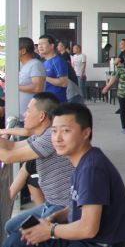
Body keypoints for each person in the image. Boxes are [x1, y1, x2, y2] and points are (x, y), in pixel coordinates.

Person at [14, 103, 125, 247]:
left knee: (18, 242)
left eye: (66, 131)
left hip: (97, 243)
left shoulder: (92, 169)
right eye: (54, 131)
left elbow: (88, 229)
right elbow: (80, 206)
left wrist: (50, 231)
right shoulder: (84, 161)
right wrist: (56, 217)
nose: (57, 138)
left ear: (86, 133)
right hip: (87, 239)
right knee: (21, 236)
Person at [0, 92, 74, 247]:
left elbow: (8, 157)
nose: (24, 114)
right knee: (10, 226)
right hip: (50, 203)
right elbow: (11, 146)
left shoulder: (50, 137)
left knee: (14, 241)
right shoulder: (41, 135)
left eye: (28, 110)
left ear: (41, 116)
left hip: (62, 208)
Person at [19, 37, 46, 122]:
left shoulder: (35, 64)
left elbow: (37, 88)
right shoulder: (24, 66)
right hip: (21, 117)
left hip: (30, 118)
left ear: (23, 51)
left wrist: (15, 87)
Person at [38, 35, 68, 103]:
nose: (40, 46)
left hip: (57, 102)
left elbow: (64, 83)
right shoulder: (44, 62)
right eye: (39, 44)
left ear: (52, 46)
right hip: (46, 101)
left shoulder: (57, 61)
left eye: (43, 43)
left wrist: (44, 78)